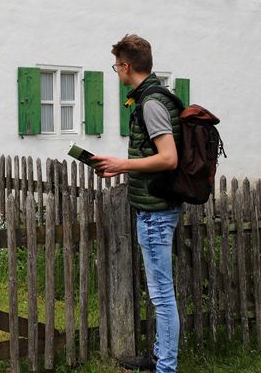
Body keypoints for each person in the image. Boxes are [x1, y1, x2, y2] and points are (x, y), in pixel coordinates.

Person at [92, 34, 181, 373]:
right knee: (160, 293)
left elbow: (168, 158)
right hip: (154, 205)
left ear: (126, 66)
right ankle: (159, 358)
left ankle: (165, 368)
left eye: (116, 66)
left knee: (161, 296)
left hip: (156, 211)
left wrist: (121, 165)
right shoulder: (149, 97)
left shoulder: (152, 103)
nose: (116, 72)